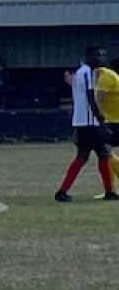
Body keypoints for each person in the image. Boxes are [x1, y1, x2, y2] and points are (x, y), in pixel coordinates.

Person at [54, 46, 116, 202]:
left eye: (102, 56)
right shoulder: (87, 73)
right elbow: (90, 98)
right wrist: (100, 119)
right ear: (89, 57)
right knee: (98, 154)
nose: (100, 59)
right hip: (90, 123)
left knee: (94, 155)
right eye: (97, 56)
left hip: (81, 122)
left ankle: (108, 191)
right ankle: (62, 191)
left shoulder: (80, 73)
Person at [95, 59, 119, 194]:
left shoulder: (104, 75)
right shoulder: (107, 75)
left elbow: (99, 97)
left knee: (105, 151)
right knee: (104, 153)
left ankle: (110, 190)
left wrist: (96, 115)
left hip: (114, 121)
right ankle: (110, 190)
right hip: (112, 119)